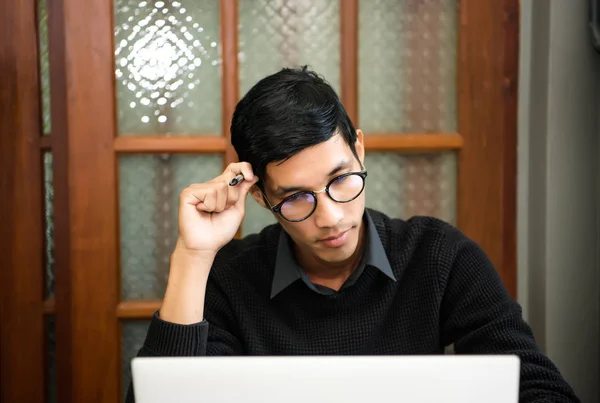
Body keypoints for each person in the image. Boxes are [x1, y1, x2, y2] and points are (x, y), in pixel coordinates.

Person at [126, 67, 579, 402]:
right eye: (296, 198)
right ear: (262, 198)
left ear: (359, 149)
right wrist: (193, 254)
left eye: (341, 179)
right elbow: (166, 398)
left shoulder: (440, 257)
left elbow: (540, 389)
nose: (329, 217)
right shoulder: (229, 279)